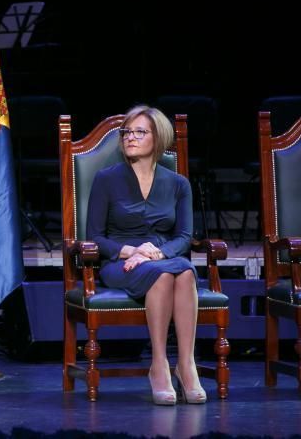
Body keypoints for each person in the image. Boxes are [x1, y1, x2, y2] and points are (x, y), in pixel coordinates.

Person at [85, 105, 206, 405]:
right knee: (166, 274)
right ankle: (159, 365)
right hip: (119, 262)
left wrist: (154, 254)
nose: (130, 137)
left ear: (159, 138)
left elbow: (184, 237)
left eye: (140, 132)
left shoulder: (178, 184)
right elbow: (95, 237)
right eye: (127, 132)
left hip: (161, 256)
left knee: (184, 271)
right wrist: (131, 251)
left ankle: (187, 364)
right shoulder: (106, 179)